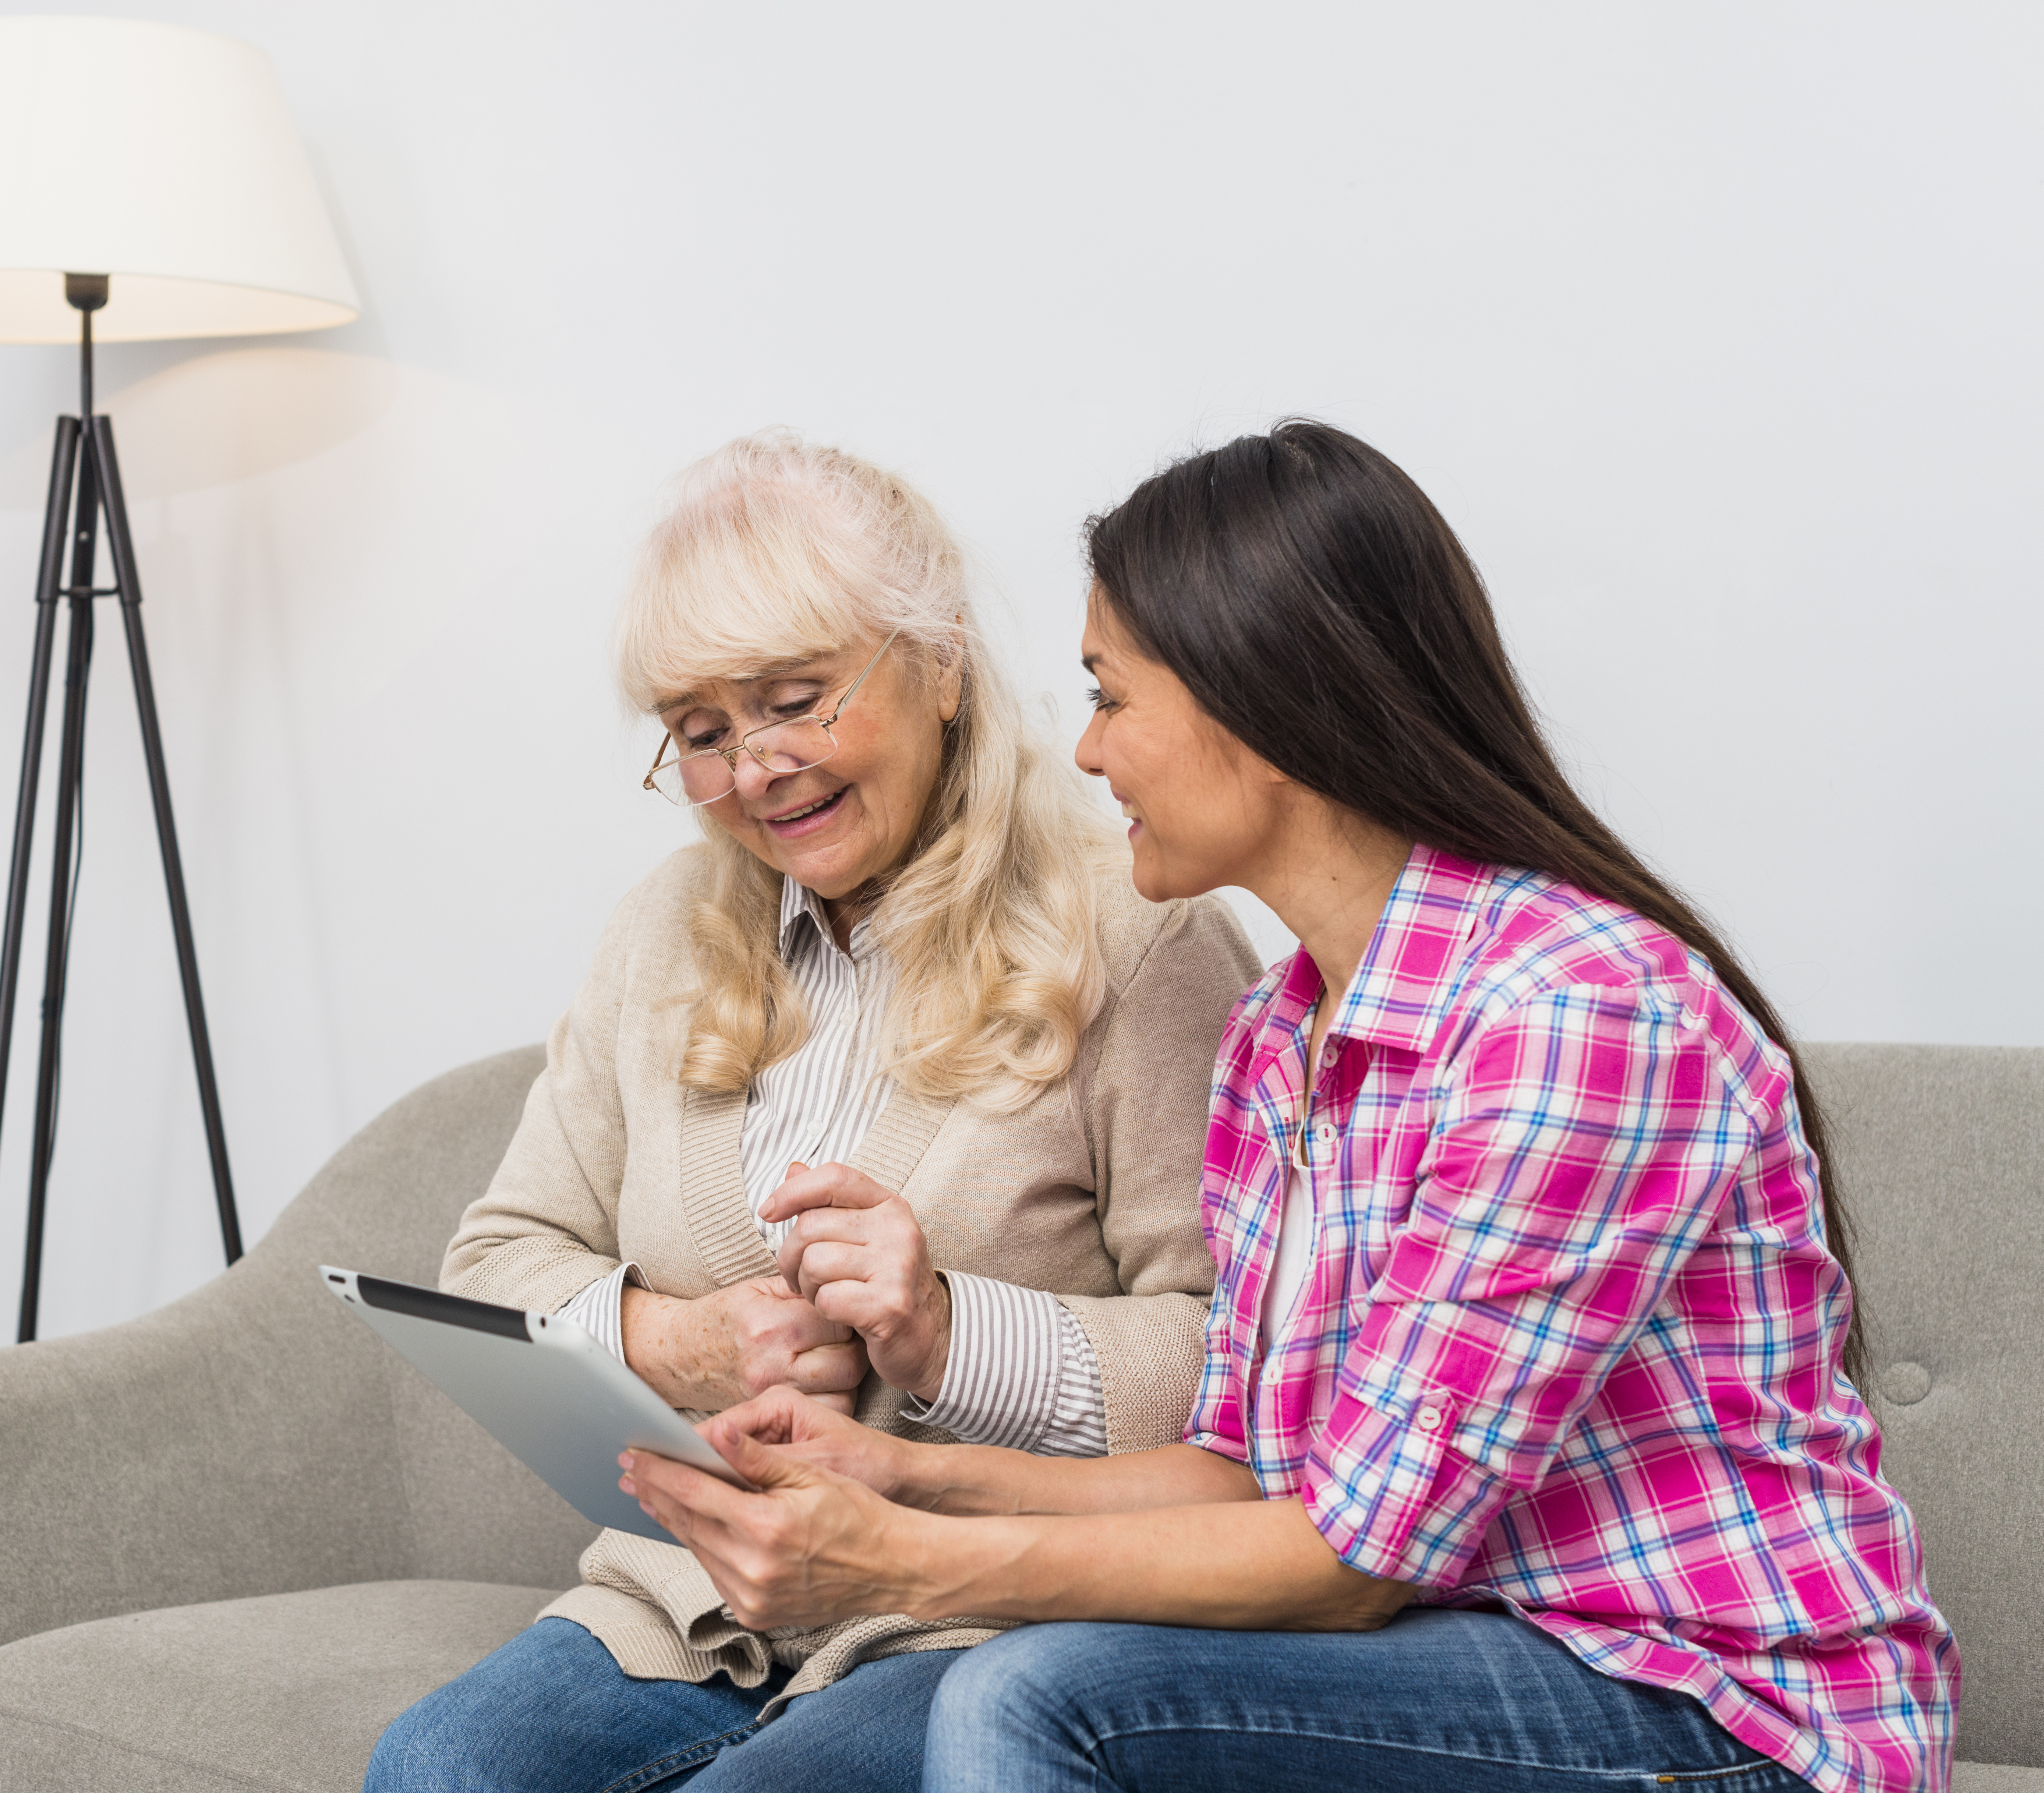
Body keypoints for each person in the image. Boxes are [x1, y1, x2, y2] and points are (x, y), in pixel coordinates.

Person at [621, 421, 1958, 1793]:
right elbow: (1253, 1478)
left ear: (1261, 704)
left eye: (1110, 697)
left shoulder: (1567, 1018)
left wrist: (904, 1562)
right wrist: (896, 1480)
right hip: (1453, 1652)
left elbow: (1351, 1562)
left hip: (1703, 1708)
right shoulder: (1281, 1033)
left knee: (1044, 1696)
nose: (1083, 754)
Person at [363, 432, 1264, 1792]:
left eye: (794, 700)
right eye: (702, 734)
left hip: (987, 1620)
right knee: (436, 1772)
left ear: (941, 664)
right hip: (692, 1604)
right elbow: (495, 1264)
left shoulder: (1145, 936)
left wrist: (948, 1333)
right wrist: (685, 1339)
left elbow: (1241, 1385)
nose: (754, 771)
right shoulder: (664, 930)